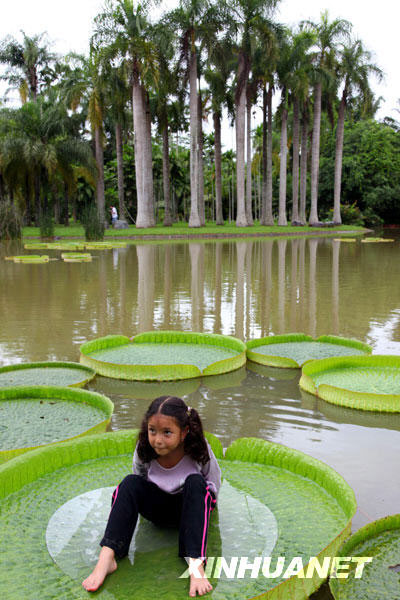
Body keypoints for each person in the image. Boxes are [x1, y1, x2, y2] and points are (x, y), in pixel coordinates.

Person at [82, 395, 221, 597]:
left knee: (196, 481)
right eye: (152, 431)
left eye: (167, 433)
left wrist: (199, 507)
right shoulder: (144, 448)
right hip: (157, 510)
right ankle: (107, 557)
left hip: (189, 510)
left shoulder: (198, 449)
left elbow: (213, 485)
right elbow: (138, 483)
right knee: (129, 482)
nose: (157, 440)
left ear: (184, 432)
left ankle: (195, 565)